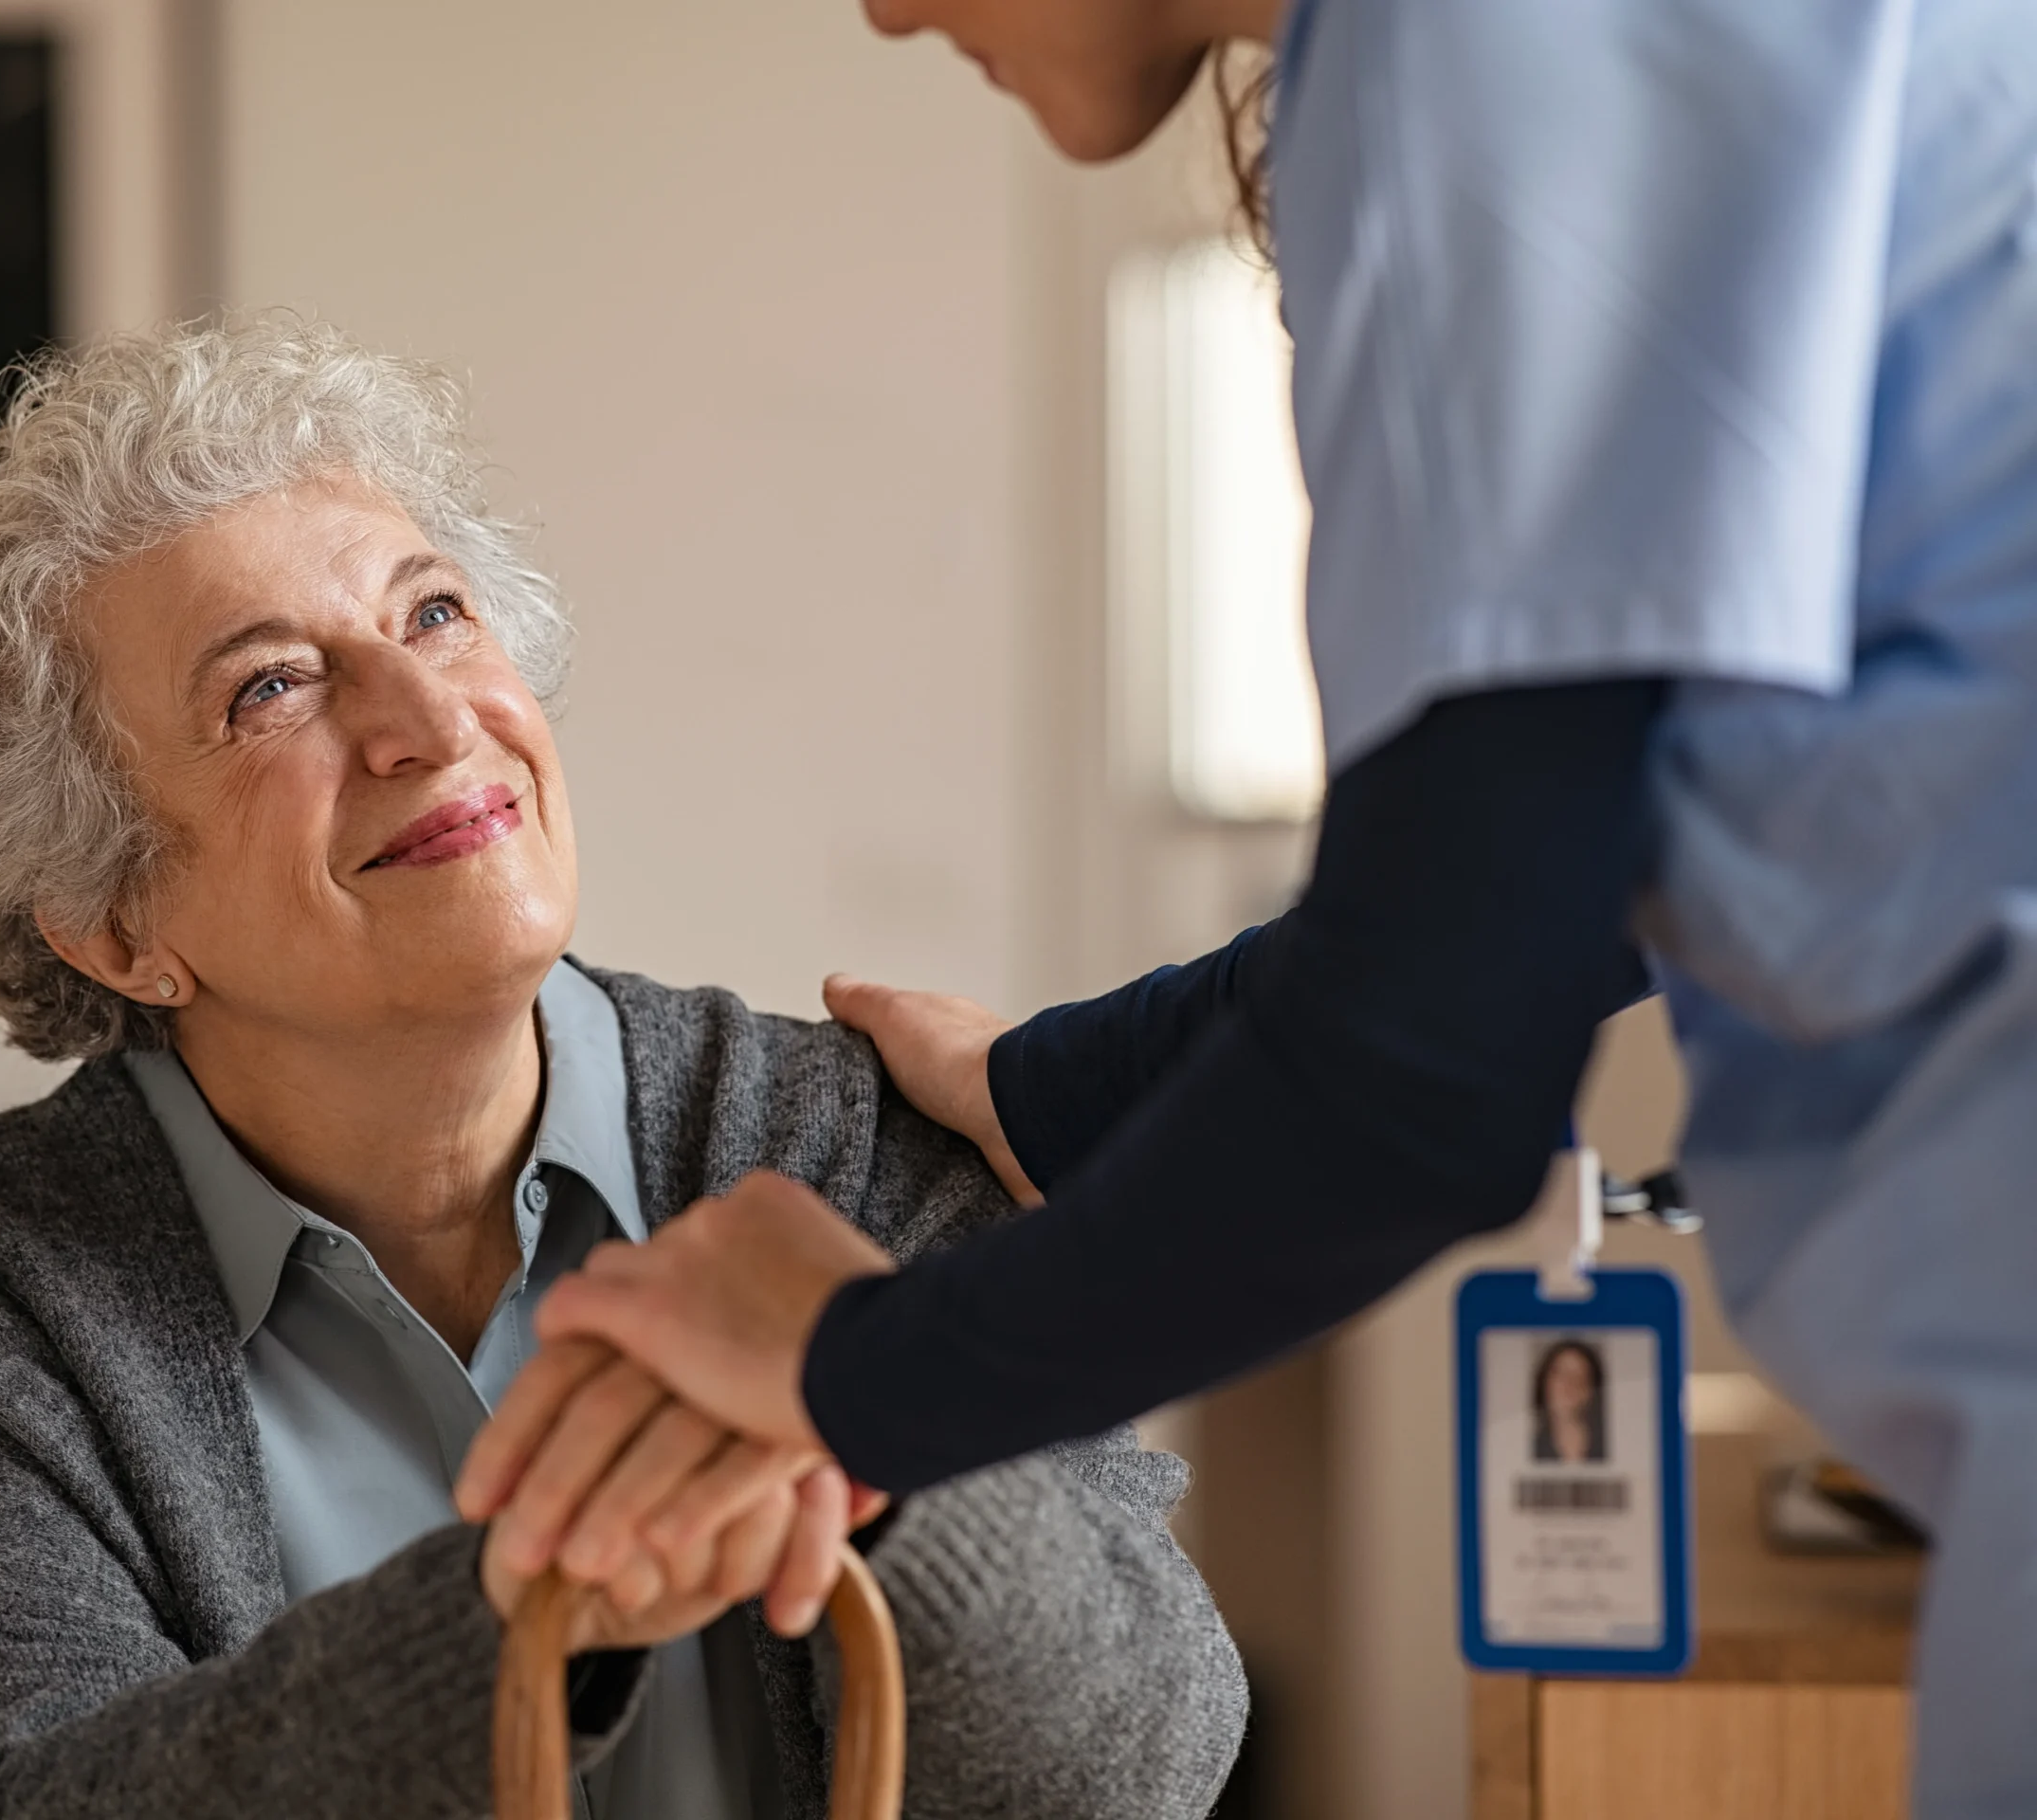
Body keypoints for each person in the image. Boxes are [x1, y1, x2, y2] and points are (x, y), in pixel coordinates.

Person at [458, 2, 2037, 1812]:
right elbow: (1601, 855)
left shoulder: (1473, 52)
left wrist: (847, 1370)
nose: (883, 7)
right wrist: (1063, 1089)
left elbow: (1424, 1080)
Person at [0, 314, 1246, 1820]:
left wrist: (879, 1384)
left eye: (433, 615)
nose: (431, 720)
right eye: (270, 690)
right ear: (112, 924)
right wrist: (525, 1605)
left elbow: (1139, 1770)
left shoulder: (846, 1152)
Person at [1531, 1341, 1607, 1467]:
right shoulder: (1531, 1448)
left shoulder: (1607, 1445)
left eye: (1580, 1376)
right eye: (1560, 1374)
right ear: (1544, 1382)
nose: (1569, 1385)